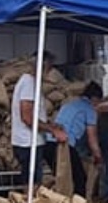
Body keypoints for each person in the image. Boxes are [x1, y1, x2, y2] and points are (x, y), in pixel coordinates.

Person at [10, 51, 68, 187]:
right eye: (49, 67)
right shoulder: (29, 83)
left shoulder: (31, 83)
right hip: (28, 142)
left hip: (31, 141)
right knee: (32, 182)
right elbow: (27, 117)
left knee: (33, 179)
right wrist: (52, 131)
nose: (49, 71)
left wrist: (51, 126)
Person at [53, 81, 105, 199]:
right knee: (80, 180)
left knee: (61, 177)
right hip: (64, 144)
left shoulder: (69, 104)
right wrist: (98, 156)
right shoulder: (89, 110)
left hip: (50, 142)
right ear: (95, 98)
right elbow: (92, 137)